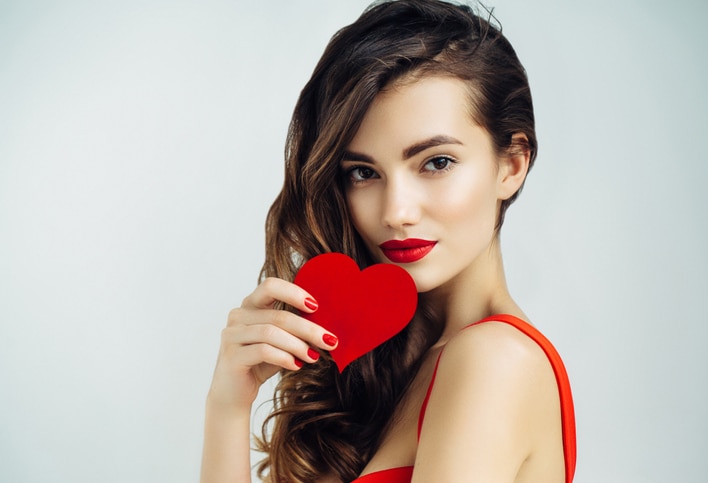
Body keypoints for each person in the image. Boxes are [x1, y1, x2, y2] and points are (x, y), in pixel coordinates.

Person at [201, 0, 576, 482]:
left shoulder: (494, 361)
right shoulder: (385, 369)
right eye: (363, 172)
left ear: (512, 164)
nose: (396, 212)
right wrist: (228, 405)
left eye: (436, 162)